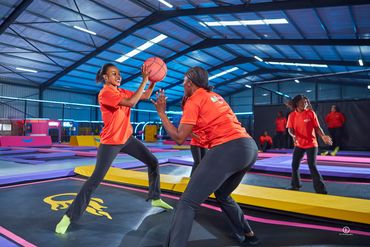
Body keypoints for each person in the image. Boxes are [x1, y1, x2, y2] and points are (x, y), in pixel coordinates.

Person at [55, 63, 172, 234]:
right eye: (114, 74)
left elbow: (145, 95)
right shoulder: (105, 93)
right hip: (110, 142)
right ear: (105, 77)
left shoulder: (121, 91)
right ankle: (68, 217)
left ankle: (155, 198)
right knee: (94, 180)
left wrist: (153, 80)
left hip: (127, 139)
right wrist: (144, 79)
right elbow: (132, 103)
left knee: (153, 162)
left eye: (119, 74)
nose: (118, 76)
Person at [151, 66, 259, 247]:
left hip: (228, 149)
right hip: (249, 148)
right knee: (223, 194)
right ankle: (249, 235)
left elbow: (178, 138)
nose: (183, 84)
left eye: (184, 81)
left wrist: (161, 112)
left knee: (187, 203)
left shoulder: (194, 100)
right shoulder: (215, 97)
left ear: (190, 83)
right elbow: (206, 128)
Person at [286, 95, 332, 194]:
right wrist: (293, 135)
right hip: (299, 144)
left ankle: (320, 189)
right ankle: (295, 185)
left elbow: (317, 127)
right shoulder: (292, 115)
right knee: (294, 165)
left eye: (306, 102)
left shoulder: (311, 113)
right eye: (303, 102)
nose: (305, 104)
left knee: (312, 166)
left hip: (311, 144)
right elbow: (290, 129)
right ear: (297, 103)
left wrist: (323, 136)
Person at [181, 96, 208, 177]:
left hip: (204, 143)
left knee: (204, 161)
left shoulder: (203, 115)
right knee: (197, 161)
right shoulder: (190, 114)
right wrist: (197, 137)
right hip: (196, 143)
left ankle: (201, 177)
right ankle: (192, 179)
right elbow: (188, 131)